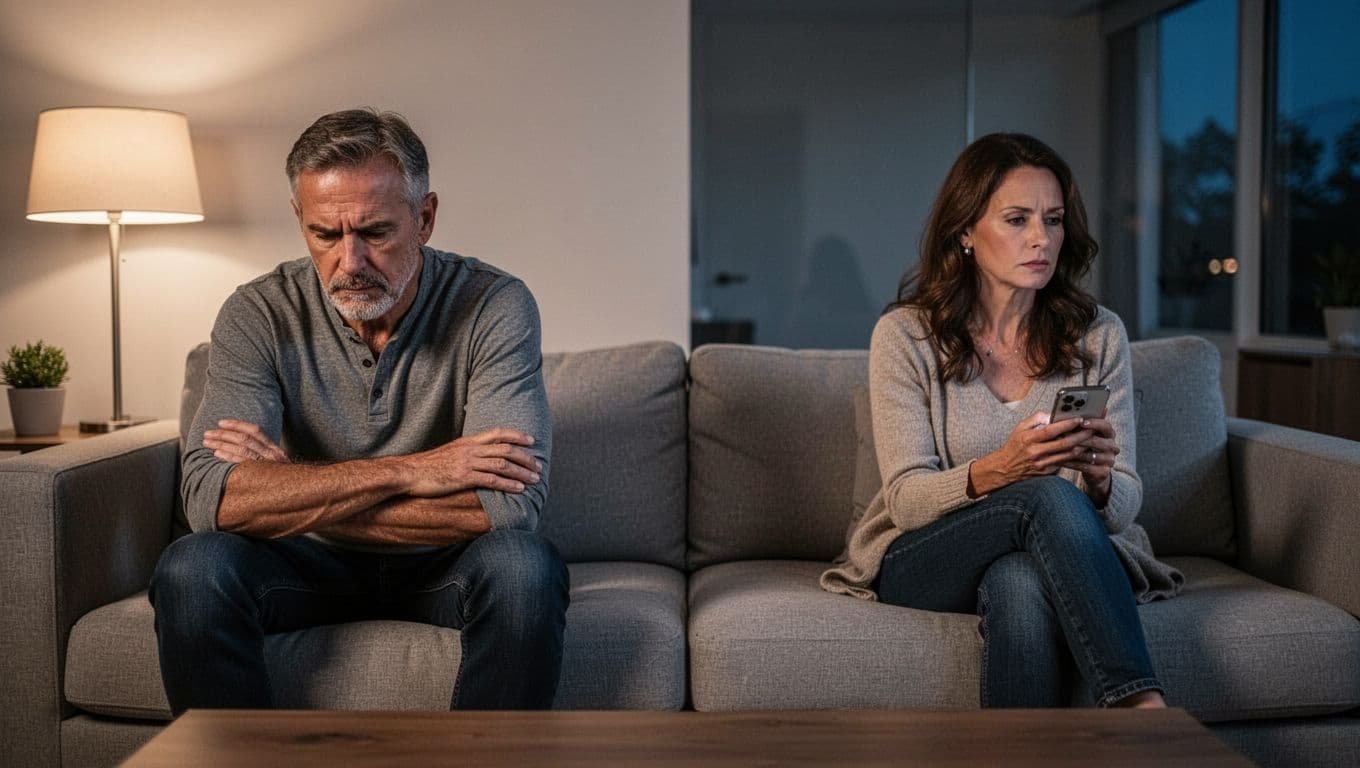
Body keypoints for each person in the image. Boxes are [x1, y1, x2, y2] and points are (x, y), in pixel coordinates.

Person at [150, 108, 569, 714]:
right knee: (192, 569)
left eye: (375, 232)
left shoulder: (493, 304)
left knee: (526, 569)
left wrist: (292, 486)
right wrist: (415, 470)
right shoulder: (256, 313)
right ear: (300, 220)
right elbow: (212, 503)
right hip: (303, 566)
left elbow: (507, 507)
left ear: (423, 218)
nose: (350, 262)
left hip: (439, 566)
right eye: (325, 234)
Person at [820, 133, 1183, 709]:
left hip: (1052, 553)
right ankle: (1142, 708)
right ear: (966, 231)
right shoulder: (906, 337)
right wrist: (1004, 468)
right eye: (1017, 219)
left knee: (1018, 581)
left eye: (1054, 219)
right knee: (1041, 495)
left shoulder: (1098, 334)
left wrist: (1101, 480)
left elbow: (1125, 505)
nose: (1042, 238)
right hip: (925, 556)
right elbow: (909, 502)